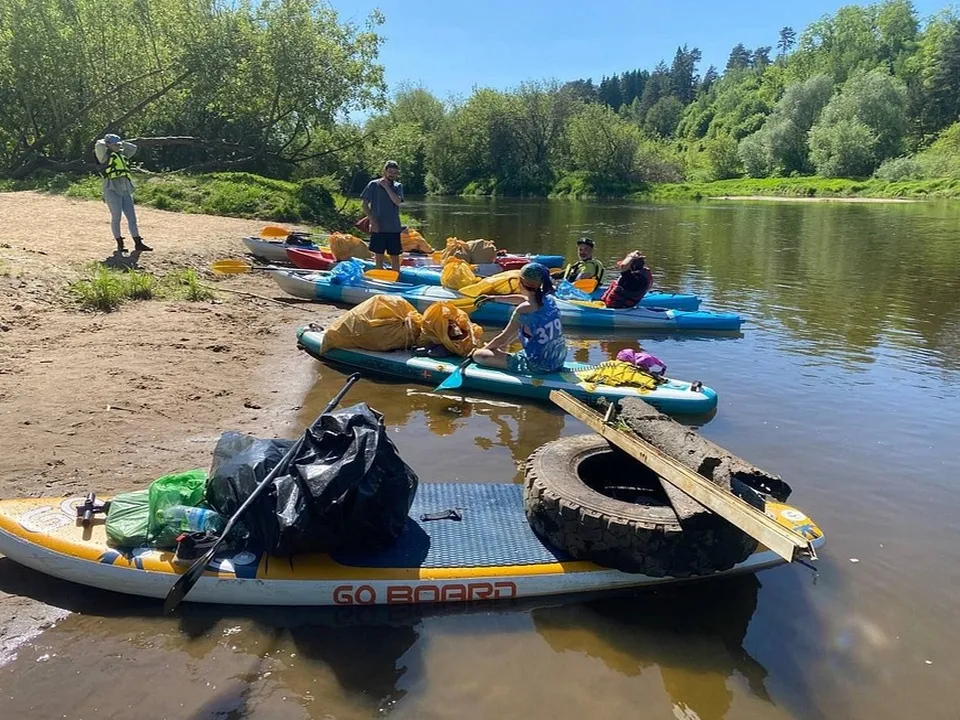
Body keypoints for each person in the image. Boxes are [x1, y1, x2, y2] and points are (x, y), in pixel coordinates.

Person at [472, 263, 568, 374]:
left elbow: (504, 339)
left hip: (538, 366)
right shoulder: (549, 299)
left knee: (479, 356)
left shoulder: (523, 310)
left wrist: (485, 349)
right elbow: (526, 299)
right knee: (498, 347)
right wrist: (493, 298)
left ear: (520, 282)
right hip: (558, 360)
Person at [94, 133, 151, 254]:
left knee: (132, 218)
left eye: (119, 144)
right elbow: (99, 144)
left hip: (125, 188)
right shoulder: (104, 156)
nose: (119, 146)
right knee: (117, 217)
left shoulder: (123, 154)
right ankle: (120, 244)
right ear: (108, 145)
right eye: (115, 145)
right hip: (111, 188)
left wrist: (119, 142)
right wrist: (107, 141)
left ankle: (138, 243)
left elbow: (133, 148)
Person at [360, 160, 404, 271]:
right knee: (378, 257)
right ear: (384, 171)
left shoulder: (398, 186)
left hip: (393, 228)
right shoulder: (373, 185)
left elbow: (397, 201)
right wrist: (372, 220)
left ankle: (396, 281)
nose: (392, 175)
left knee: (395, 258)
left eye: (394, 172)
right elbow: (364, 204)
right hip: (378, 227)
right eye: (390, 172)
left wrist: (387, 187)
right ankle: (379, 279)